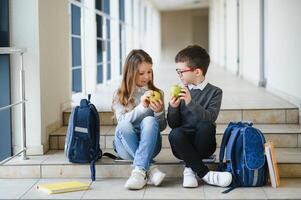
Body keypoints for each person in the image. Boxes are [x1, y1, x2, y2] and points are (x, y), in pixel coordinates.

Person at [167, 45, 232, 188]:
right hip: (182, 145)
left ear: (197, 71)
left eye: (181, 71)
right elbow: (173, 124)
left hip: (205, 144)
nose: (179, 75)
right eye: (177, 72)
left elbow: (210, 118)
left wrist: (190, 102)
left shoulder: (215, 92)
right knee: (175, 133)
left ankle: (189, 168)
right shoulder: (180, 90)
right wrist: (173, 107)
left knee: (206, 125)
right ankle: (206, 174)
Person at [112, 49, 167, 190]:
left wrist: (159, 112)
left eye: (149, 72)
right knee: (123, 125)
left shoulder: (158, 93)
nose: (146, 76)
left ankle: (139, 172)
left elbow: (161, 127)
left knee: (149, 121)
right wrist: (142, 107)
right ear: (130, 73)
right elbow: (122, 123)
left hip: (151, 144)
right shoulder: (120, 95)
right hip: (125, 146)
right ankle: (150, 168)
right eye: (141, 73)